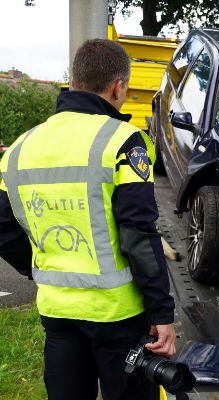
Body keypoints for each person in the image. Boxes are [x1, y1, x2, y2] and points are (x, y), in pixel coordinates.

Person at [0, 39, 175, 400]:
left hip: (58, 313)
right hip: (119, 316)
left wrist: (36, 268)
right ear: (119, 86)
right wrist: (161, 311)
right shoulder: (125, 142)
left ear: (74, 81)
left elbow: (2, 228)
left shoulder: (19, 149)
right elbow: (139, 234)